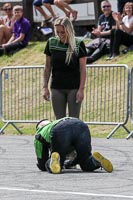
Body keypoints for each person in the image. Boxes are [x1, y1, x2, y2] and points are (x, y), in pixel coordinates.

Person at [34, 117, 113, 174]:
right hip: (81, 125)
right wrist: (70, 163)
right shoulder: (57, 121)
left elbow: (41, 160)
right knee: (85, 160)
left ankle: (54, 160)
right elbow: (75, 157)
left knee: (56, 161)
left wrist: (42, 165)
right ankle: (95, 160)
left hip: (60, 130)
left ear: (38, 127)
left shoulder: (39, 133)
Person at [43, 16, 87, 119]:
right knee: (59, 121)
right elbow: (47, 67)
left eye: (63, 32)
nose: (60, 35)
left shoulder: (78, 44)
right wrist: (45, 87)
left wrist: (81, 89)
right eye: (57, 32)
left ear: (69, 30)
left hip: (74, 88)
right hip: (56, 87)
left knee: (73, 120)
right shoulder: (51, 42)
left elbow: (83, 69)